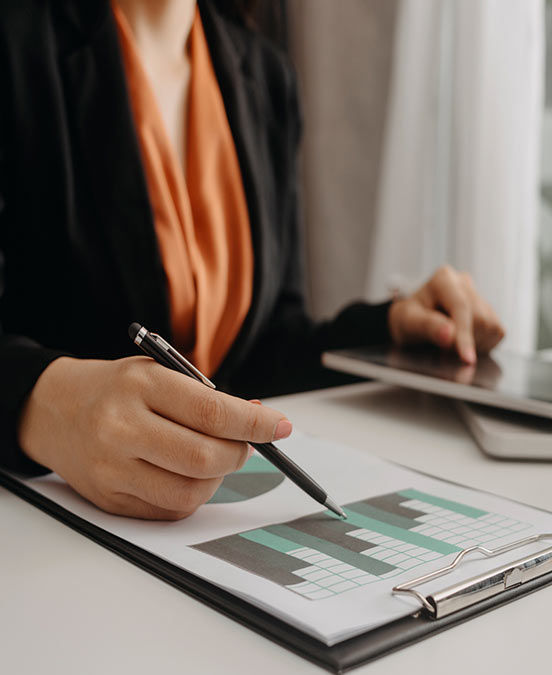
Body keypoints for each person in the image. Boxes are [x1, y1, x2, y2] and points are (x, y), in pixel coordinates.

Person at [0, 0, 505, 519]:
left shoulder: (266, 76)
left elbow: (265, 348)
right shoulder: (17, 45)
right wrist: (43, 405)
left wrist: (392, 328)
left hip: (189, 528)